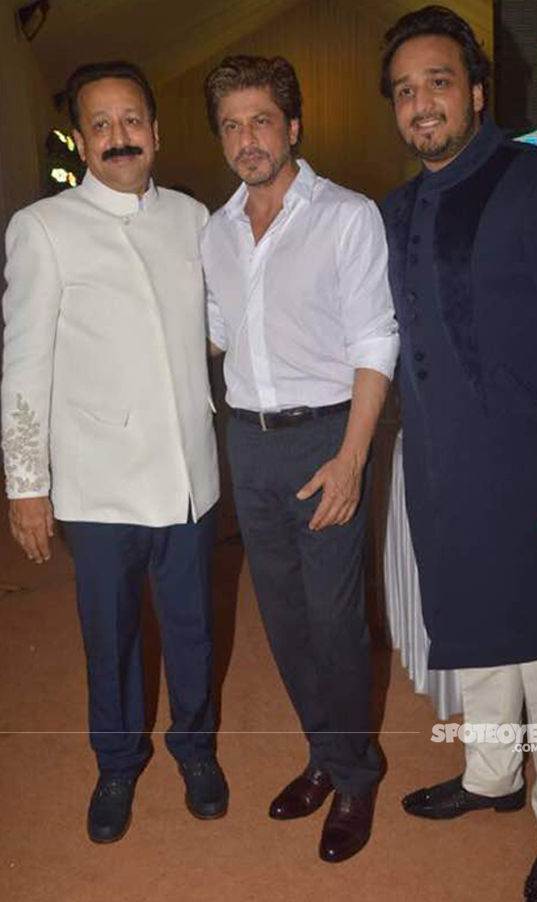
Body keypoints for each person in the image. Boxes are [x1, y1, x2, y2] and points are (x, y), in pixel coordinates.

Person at [379, 7, 537, 901]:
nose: (421, 103)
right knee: (475, 639)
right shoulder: (395, 210)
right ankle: (491, 778)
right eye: (404, 90)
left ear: (475, 91)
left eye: (438, 82)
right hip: (443, 476)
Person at [1, 60, 228, 843]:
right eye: (100, 125)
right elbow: (23, 363)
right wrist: (25, 483)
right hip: (98, 485)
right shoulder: (43, 228)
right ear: (80, 139)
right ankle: (117, 762)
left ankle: (195, 750)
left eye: (131, 120)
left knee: (195, 626)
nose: (118, 137)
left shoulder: (196, 218)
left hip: (190, 477)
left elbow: (216, 327)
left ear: (156, 131)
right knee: (112, 634)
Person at [201, 54, 399, 863]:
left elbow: (376, 339)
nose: (247, 140)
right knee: (282, 619)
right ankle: (326, 750)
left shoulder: (346, 216)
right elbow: (214, 335)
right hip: (247, 441)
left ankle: (355, 774)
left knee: (334, 619)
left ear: (293, 127)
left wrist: (353, 457)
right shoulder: (214, 232)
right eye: (230, 125)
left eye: (260, 121)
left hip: (326, 437)